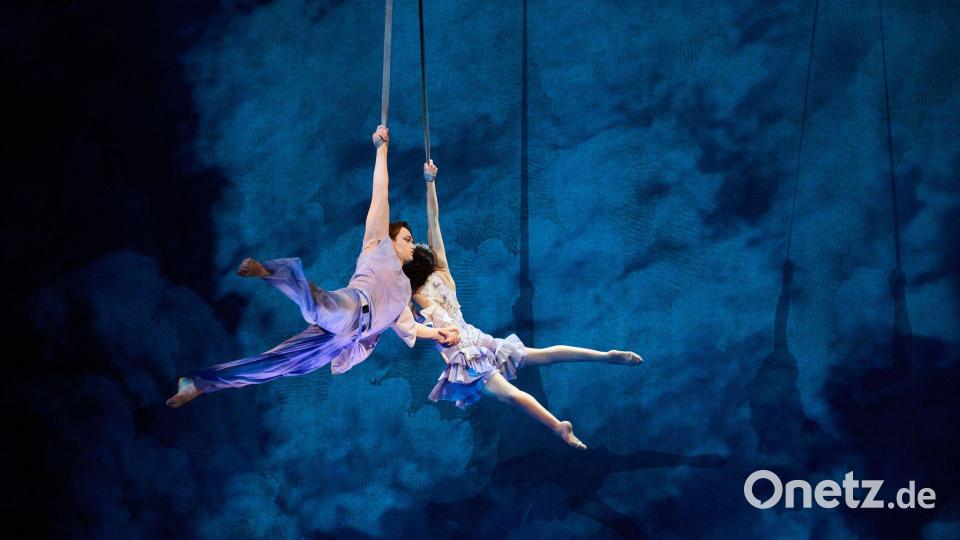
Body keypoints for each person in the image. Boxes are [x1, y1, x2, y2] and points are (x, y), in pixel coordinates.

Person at [166, 127, 460, 408]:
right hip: (354, 305)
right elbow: (380, 193)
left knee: (279, 364)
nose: (412, 244)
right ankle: (274, 272)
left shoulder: (403, 295)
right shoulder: (377, 244)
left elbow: (412, 329)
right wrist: (382, 150)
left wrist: (439, 333)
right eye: (407, 239)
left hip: (346, 339)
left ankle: (199, 383)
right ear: (391, 238)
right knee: (320, 306)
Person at [403, 160, 643, 449]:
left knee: (510, 395)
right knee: (543, 355)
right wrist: (430, 183)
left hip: (466, 353)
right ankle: (605, 356)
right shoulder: (443, 274)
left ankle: (558, 427)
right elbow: (434, 222)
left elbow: (417, 243)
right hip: (477, 338)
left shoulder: (413, 293)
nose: (414, 244)